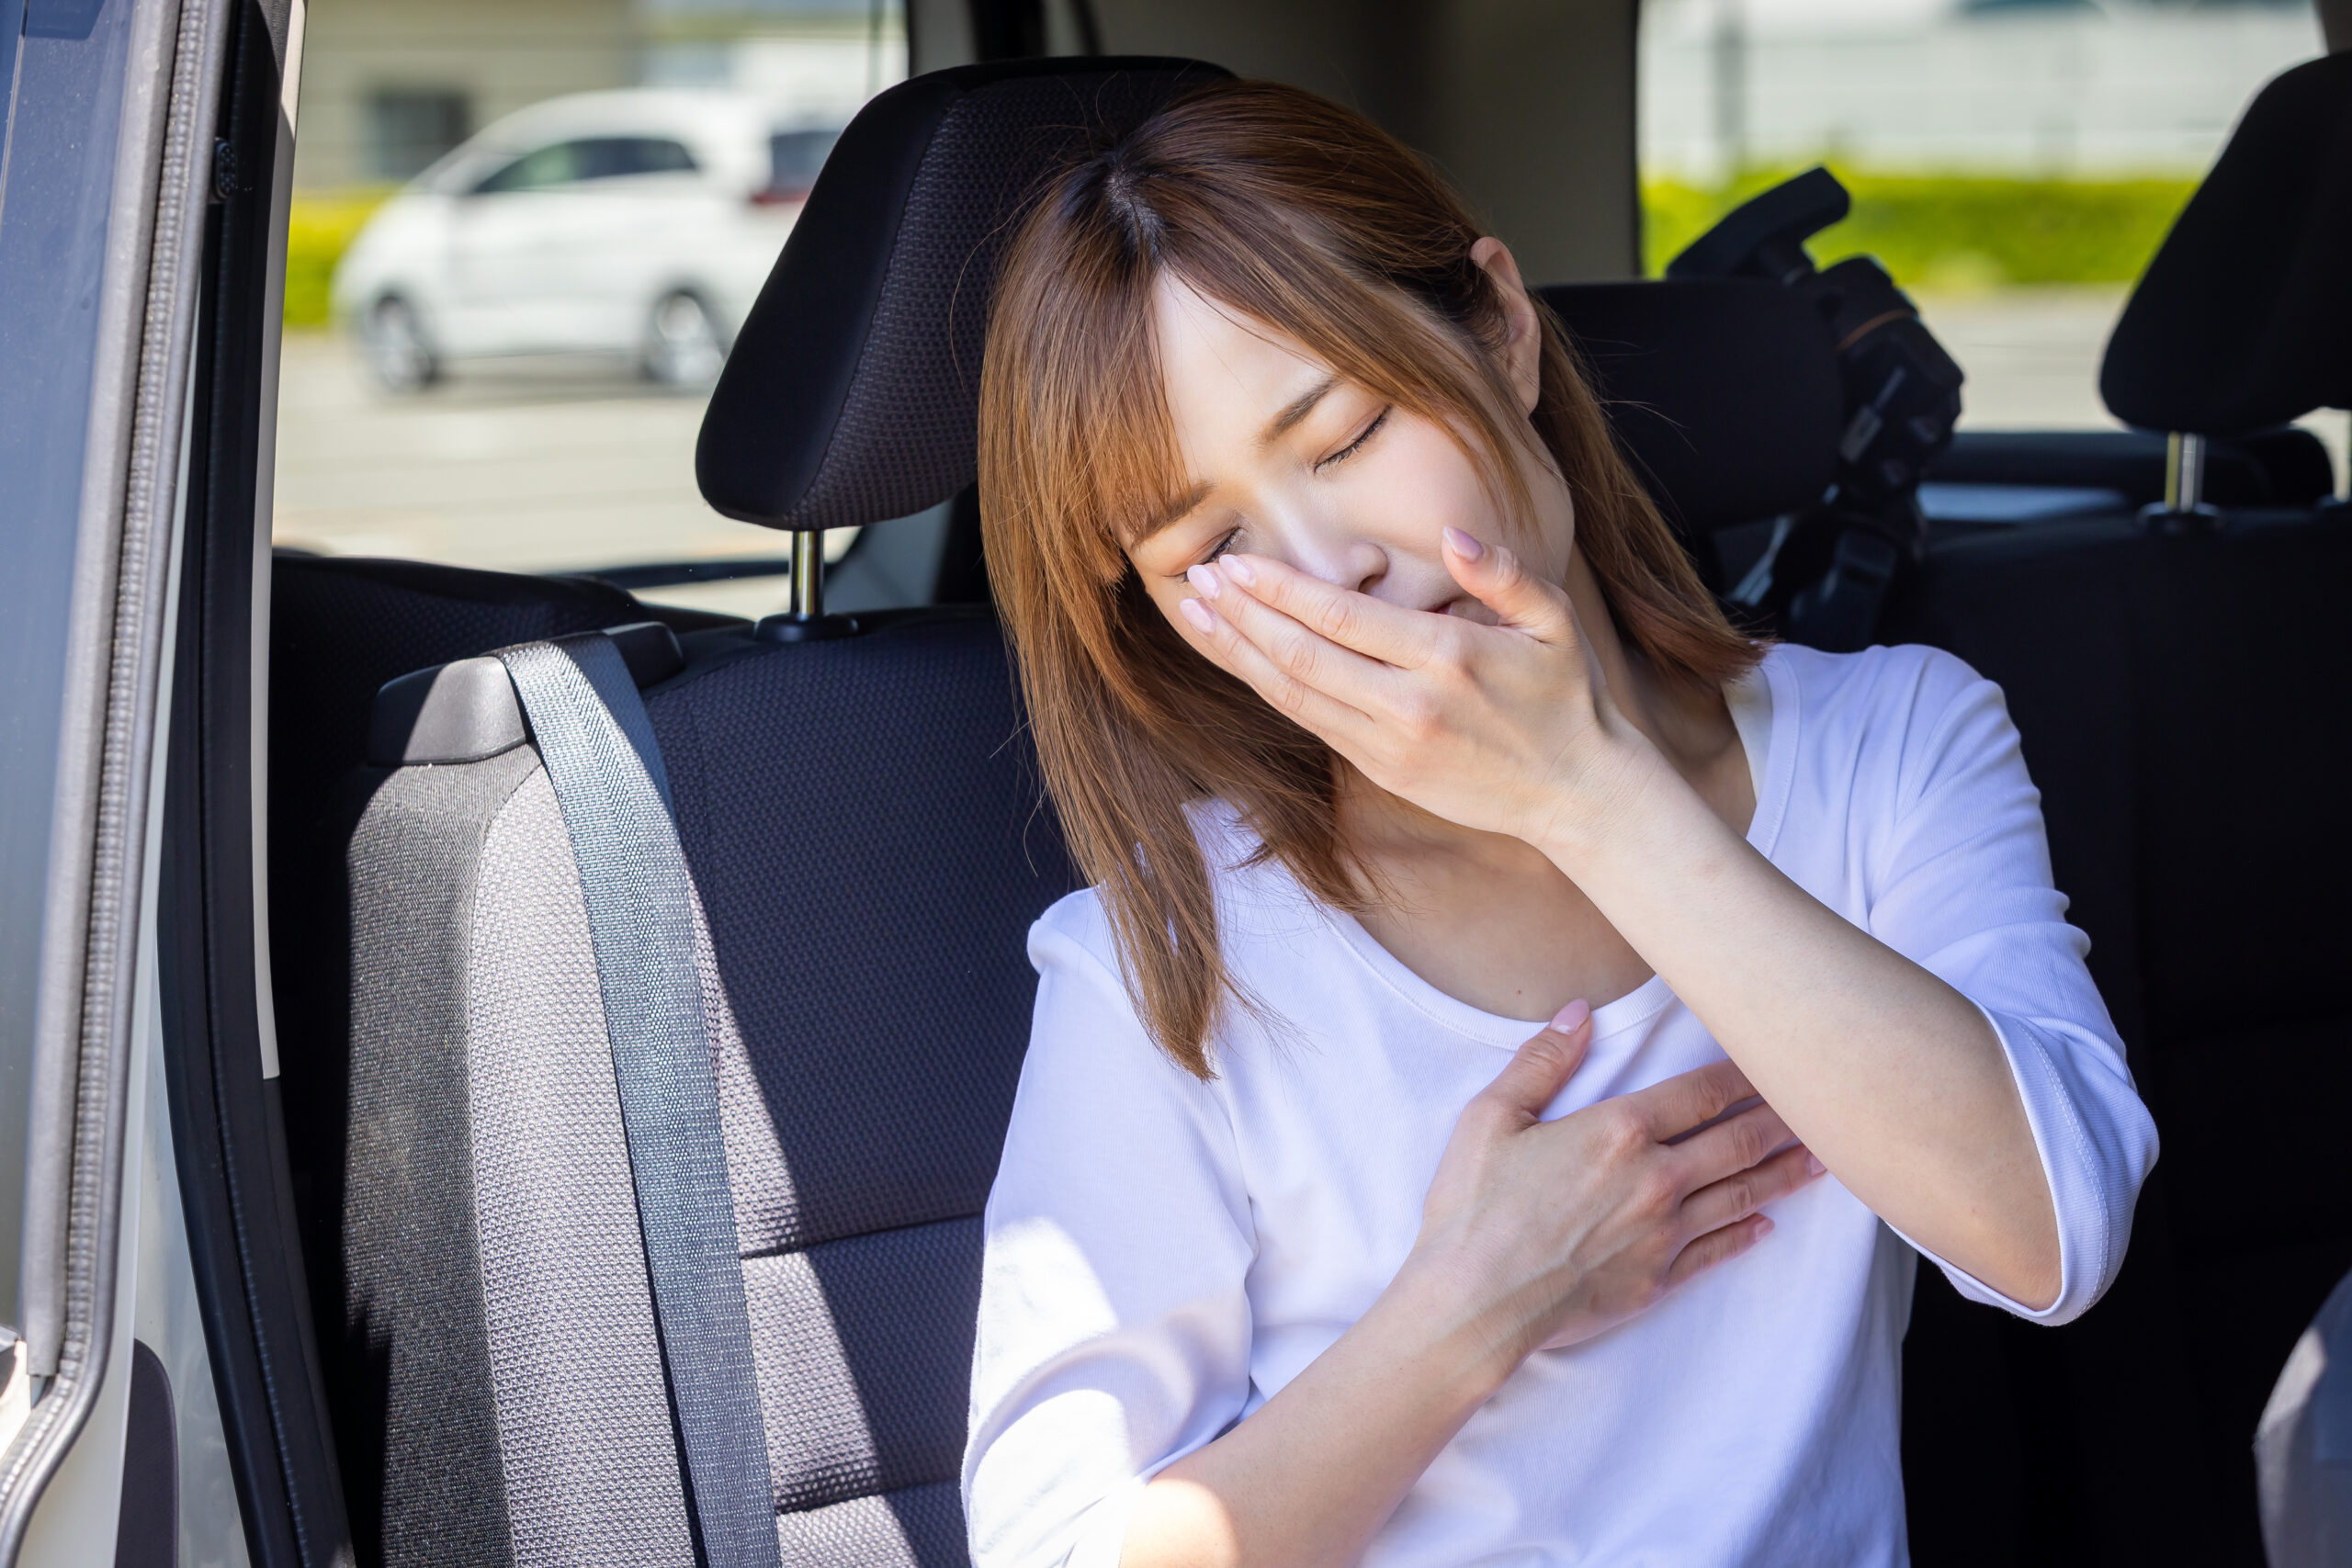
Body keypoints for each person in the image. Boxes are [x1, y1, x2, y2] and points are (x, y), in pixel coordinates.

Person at [961, 78, 2157, 1568]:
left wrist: (1584, 791)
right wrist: (1474, 1308)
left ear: (1502, 331)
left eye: (1343, 437)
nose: (1333, 566)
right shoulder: (1171, 950)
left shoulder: (1896, 745)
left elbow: (2050, 1237)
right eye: (1213, 545)